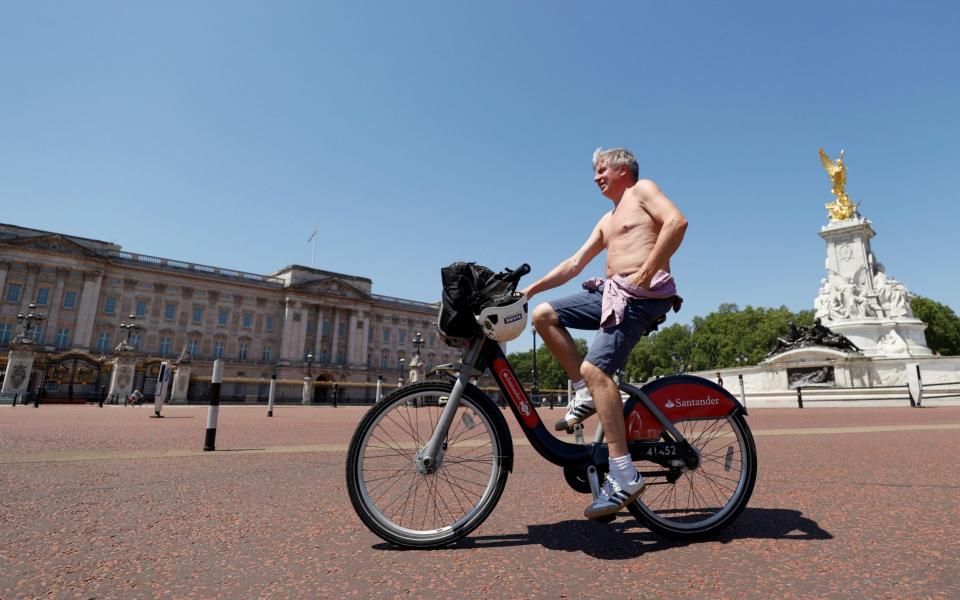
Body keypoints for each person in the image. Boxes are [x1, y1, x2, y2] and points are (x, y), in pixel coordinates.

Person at [521, 147, 686, 519]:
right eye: (595, 171)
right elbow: (574, 264)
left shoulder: (643, 190)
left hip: (641, 296)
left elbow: (677, 222)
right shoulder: (607, 218)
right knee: (544, 316)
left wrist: (649, 268)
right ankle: (584, 391)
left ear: (623, 169)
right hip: (611, 293)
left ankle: (625, 475)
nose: (596, 177)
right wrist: (531, 290)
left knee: (598, 370)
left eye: (602, 169)